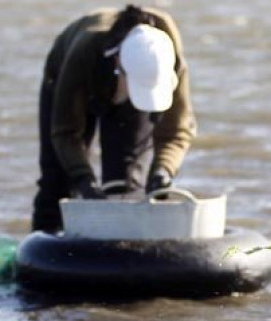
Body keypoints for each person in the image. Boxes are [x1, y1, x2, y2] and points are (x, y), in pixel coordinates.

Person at [32, 5, 196, 233]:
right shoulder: (84, 52)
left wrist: (163, 170)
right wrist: (83, 180)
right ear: (118, 62)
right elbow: (65, 132)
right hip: (70, 80)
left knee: (127, 185)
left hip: (126, 85)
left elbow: (177, 131)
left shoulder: (169, 55)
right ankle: (42, 250)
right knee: (57, 181)